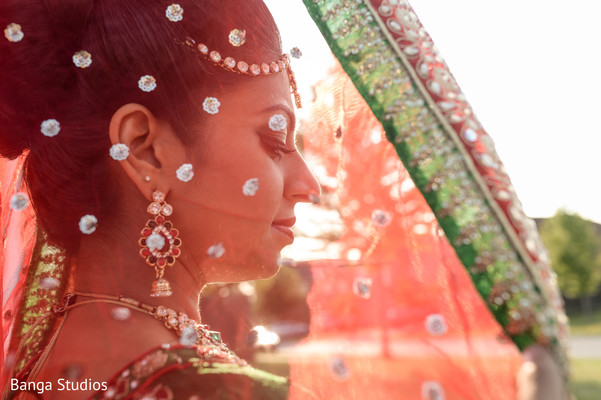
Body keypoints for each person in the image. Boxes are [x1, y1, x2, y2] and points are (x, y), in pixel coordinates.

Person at [0, 0, 320, 398]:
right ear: (144, 149)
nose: (309, 185)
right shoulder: (217, 389)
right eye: (274, 140)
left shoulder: (36, 373)